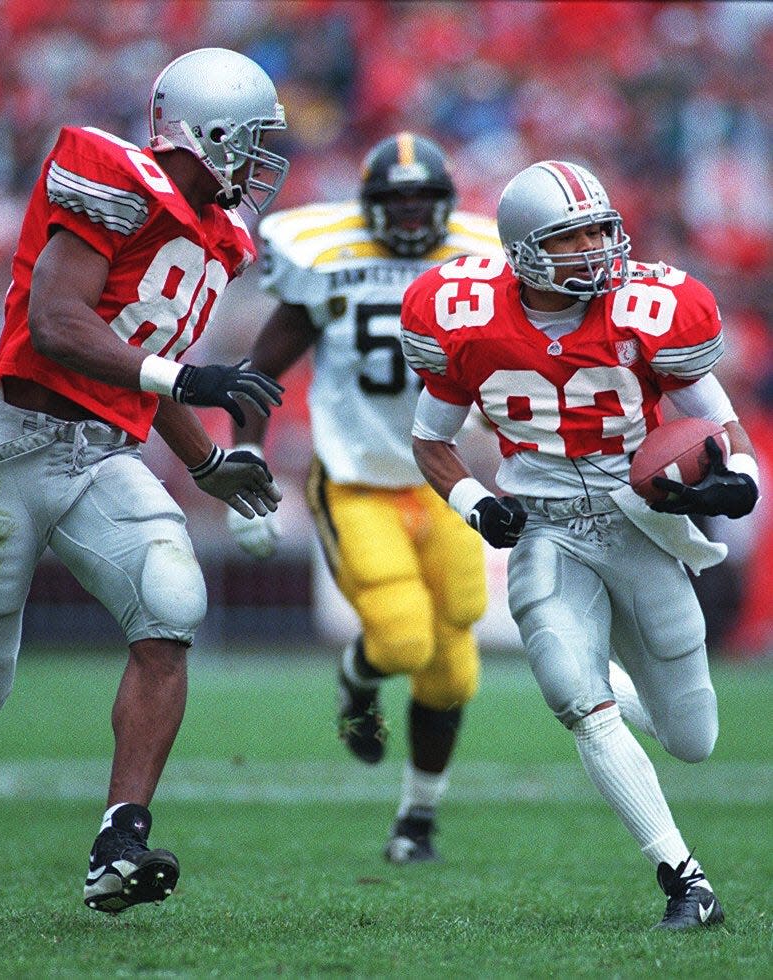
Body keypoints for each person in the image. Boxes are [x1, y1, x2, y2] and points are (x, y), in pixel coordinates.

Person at [0, 47, 291, 915]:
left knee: (172, 606)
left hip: (100, 457)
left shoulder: (221, 236)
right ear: (206, 134)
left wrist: (206, 462)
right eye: (252, 140)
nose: (263, 162)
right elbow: (56, 325)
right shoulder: (112, 177)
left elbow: (143, 364)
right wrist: (189, 383)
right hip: (12, 446)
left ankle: (119, 840)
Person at [400, 159, 760, 928]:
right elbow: (430, 441)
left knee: (691, 739)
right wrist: (473, 503)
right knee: (576, 699)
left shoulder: (648, 307)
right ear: (525, 249)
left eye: (602, 228)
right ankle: (684, 880)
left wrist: (742, 480)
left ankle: (616, 687)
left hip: (641, 525)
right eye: (574, 237)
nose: (598, 247)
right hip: (547, 529)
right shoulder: (464, 317)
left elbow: (721, 421)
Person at [228, 133, 502, 863]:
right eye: (396, 200)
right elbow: (260, 369)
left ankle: (416, 822)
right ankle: (356, 686)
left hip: (442, 479)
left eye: (424, 200)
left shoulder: (482, 262)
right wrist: (246, 461)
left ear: (445, 205)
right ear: (369, 206)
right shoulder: (325, 257)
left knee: (455, 658)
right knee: (403, 639)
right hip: (354, 481)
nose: (411, 216)